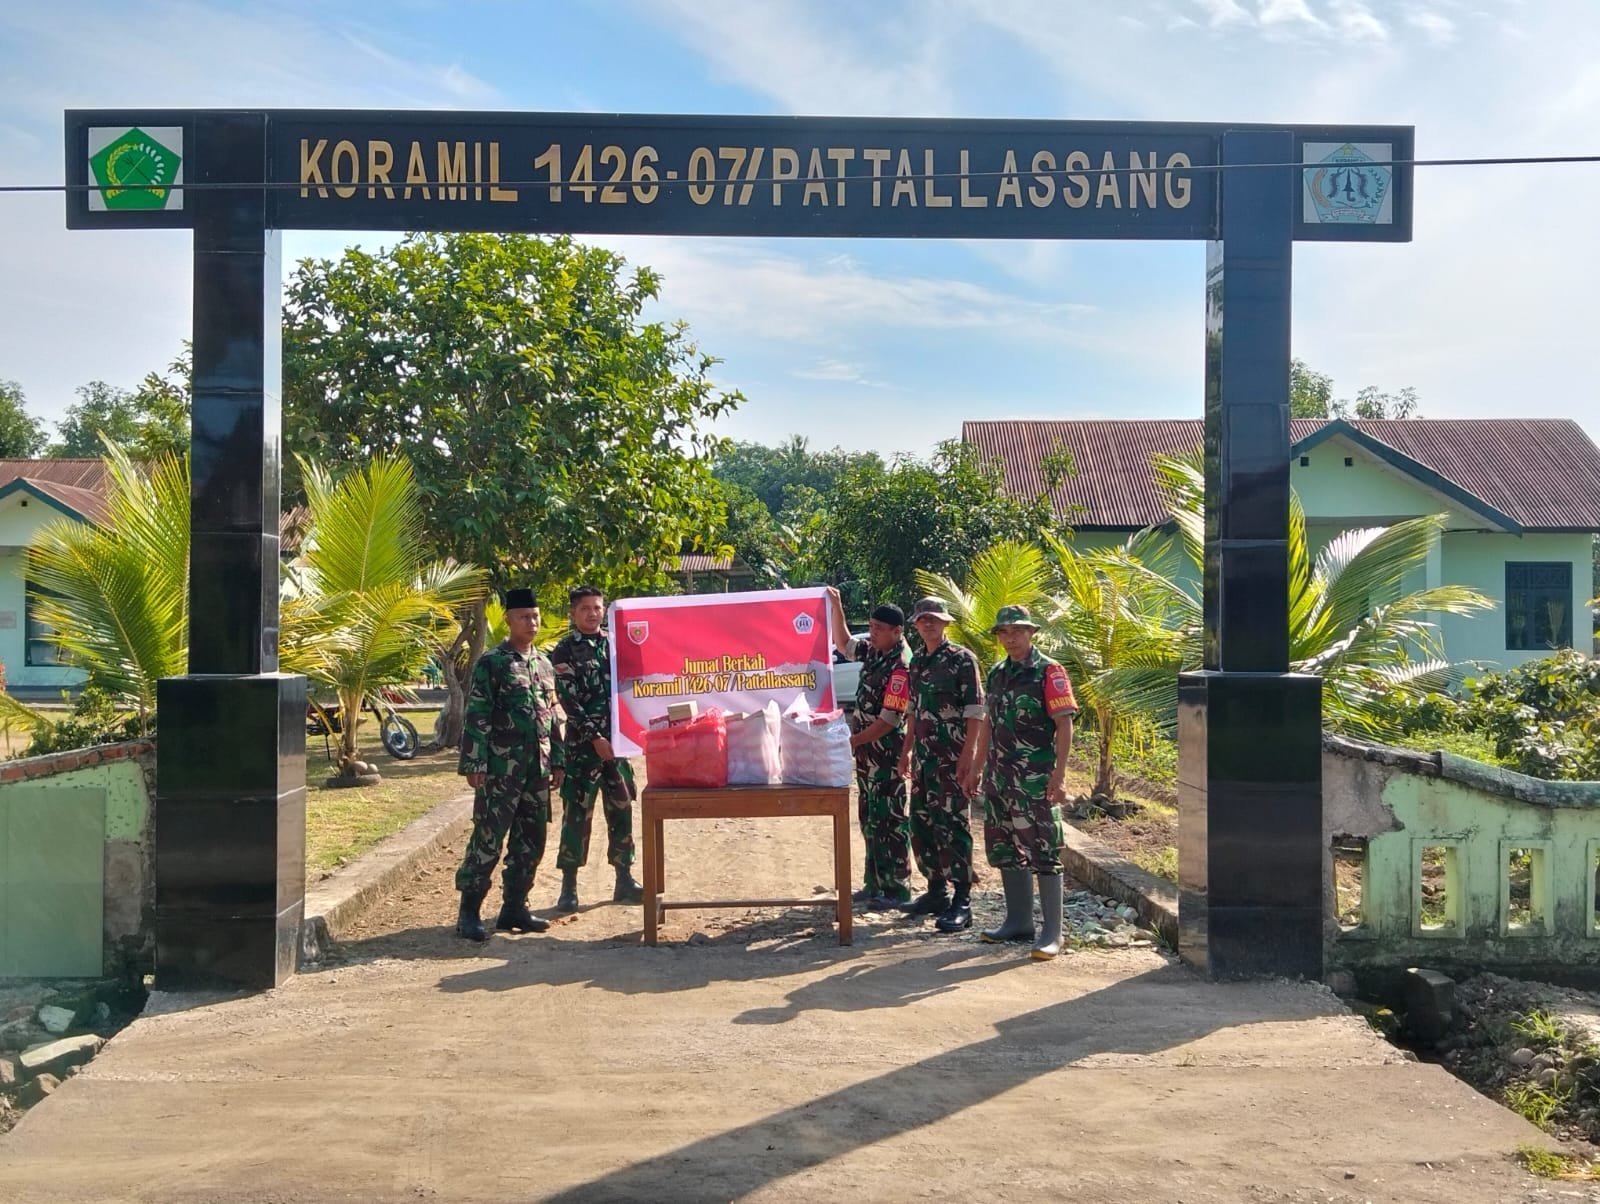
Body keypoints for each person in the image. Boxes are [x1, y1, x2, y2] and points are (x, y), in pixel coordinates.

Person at [962, 604, 1079, 960]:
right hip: (1000, 777)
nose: (1010, 638)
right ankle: (1018, 921)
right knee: (1005, 847)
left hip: (1034, 779)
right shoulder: (998, 673)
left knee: (1044, 849)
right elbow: (988, 724)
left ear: (1030, 633)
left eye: (1016, 631)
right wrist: (977, 767)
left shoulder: (1049, 672)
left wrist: (1059, 776)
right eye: (1004, 632)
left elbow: (1064, 725)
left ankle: (1053, 933)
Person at [454, 588, 565, 941]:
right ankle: (469, 912)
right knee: (488, 838)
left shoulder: (543, 664)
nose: (531, 623)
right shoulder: (493, 662)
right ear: (508, 620)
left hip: (536, 770)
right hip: (500, 771)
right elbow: (478, 713)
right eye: (523, 617)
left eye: (535, 616)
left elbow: (551, 715)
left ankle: (515, 908)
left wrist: (557, 759)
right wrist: (474, 762)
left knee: (531, 841)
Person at [549, 585, 643, 911]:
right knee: (577, 815)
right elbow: (569, 701)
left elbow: (633, 686)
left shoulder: (616, 645)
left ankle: (624, 879)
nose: (592, 613)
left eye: (597, 607)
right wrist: (595, 738)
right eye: (585, 608)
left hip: (618, 747)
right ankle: (569, 886)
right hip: (582, 749)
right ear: (573, 613)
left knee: (622, 809)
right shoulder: (564, 651)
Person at [897, 596, 985, 933]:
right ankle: (936, 891)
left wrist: (969, 755)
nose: (928, 624)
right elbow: (913, 710)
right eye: (922, 619)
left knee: (953, 825)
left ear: (946, 623)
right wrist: (906, 750)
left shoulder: (962, 659)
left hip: (952, 759)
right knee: (921, 825)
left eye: (934, 619)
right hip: (924, 759)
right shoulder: (917, 661)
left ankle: (962, 900)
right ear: (916, 625)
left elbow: (975, 710)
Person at [827, 587, 913, 910]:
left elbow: (889, 720)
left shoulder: (901, 666)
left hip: (886, 755)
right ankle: (874, 883)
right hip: (867, 757)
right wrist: (836, 606)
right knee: (870, 817)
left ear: (897, 631)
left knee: (890, 820)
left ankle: (897, 888)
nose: (873, 633)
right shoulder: (876, 652)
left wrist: (853, 741)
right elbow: (845, 645)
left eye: (879, 629)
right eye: (872, 627)